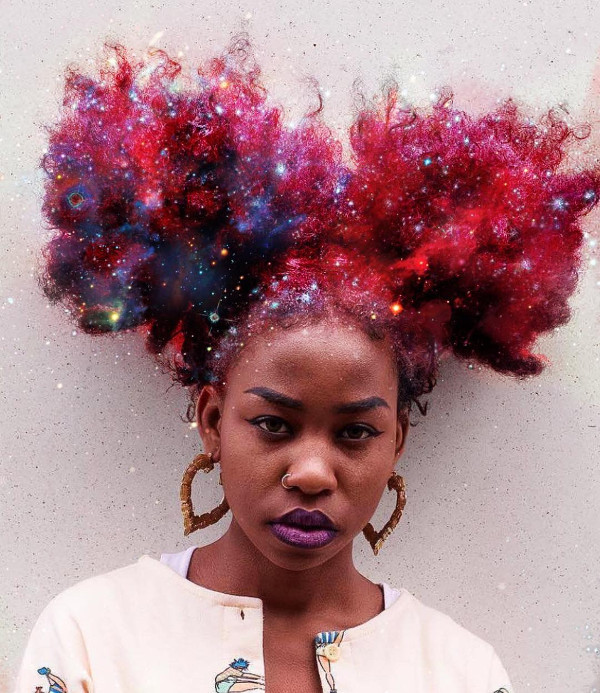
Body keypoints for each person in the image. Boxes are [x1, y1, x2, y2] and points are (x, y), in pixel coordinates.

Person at [13, 34, 599, 693]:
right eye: (273, 424)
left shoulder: (459, 671)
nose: (313, 473)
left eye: (355, 431)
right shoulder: (91, 639)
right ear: (212, 420)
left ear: (397, 440)